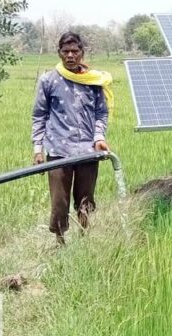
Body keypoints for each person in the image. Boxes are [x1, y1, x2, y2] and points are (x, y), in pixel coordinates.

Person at [31, 32, 112, 244]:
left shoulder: (93, 81)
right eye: (65, 51)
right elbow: (39, 115)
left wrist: (99, 137)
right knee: (59, 202)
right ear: (59, 53)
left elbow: (101, 113)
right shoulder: (48, 81)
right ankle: (60, 242)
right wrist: (38, 149)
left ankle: (85, 239)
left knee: (85, 200)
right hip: (58, 151)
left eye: (74, 51)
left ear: (82, 53)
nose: (70, 55)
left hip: (88, 151)